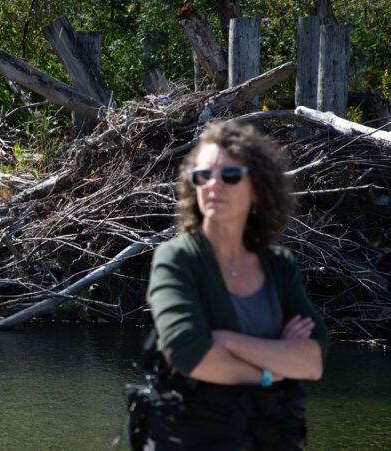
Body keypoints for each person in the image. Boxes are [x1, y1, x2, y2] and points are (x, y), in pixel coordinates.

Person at [138, 121, 329, 450]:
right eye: (203, 176)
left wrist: (227, 341)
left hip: (270, 437)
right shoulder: (177, 259)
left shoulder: (278, 264)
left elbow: (312, 361)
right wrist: (271, 371)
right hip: (194, 437)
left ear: (257, 188)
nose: (213, 185)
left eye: (229, 176)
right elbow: (190, 354)